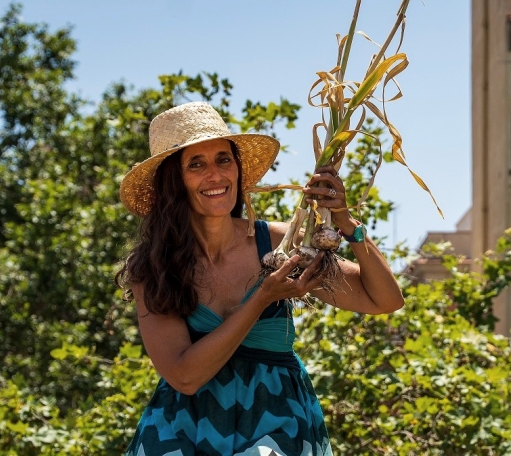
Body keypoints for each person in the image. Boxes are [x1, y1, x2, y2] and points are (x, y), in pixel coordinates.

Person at [115, 102, 405, 456]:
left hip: (277, 427)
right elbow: (184, 377)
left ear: (237, 168)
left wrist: (346, 222)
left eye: (223, 159)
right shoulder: (153, 267)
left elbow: (385, 300)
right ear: (174, 181)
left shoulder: (279, 244)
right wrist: (262, 299)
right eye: (196, 164)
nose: (216, 175)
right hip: (183, 434)